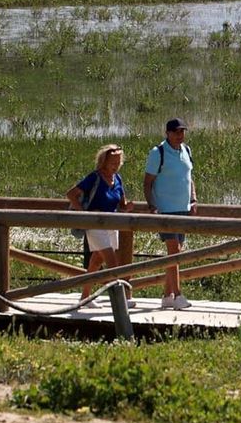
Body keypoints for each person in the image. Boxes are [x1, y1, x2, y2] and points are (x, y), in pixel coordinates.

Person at [143, 118, 195, 310]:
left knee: (176, 251)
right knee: (173, 251)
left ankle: (167, 296)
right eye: (176, 132)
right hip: (165, 210)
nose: (180, 135)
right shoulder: (158, 152)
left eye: (182, 131)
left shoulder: (186, 150)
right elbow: (147, 182)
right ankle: (178, 295)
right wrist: (152, 205)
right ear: (168, 133)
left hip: (183, 209)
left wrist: (193, 200)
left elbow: (189, 177)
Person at [66, 144, 128, 304]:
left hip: (111, 224)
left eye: (118, 162)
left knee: (96, 262)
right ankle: (121, 301)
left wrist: (129, 207)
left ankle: (85, 297)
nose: (116, 166)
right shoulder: (94, 177)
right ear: (104, 162)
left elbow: (122, 204)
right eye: (112, 162)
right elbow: (71, 194)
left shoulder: (118, 179)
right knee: (112, 262)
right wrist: (84, 214)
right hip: (95, 225)